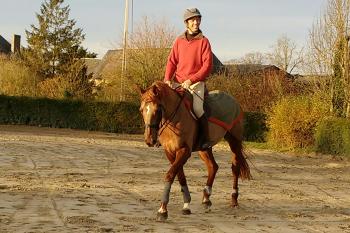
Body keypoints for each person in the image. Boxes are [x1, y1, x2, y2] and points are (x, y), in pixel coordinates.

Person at [164, 7, 213, 149]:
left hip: (195, 84)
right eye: (193, 20)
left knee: (198, 110)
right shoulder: (179, 41)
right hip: (178, 83)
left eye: (198, 19)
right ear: (187, 23)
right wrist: (167, 79)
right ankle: (159, 137)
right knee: (164, 107)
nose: (196, 22)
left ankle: (205, 140)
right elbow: (172, 61)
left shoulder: (204, 41)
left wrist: (191, 80)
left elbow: (207, 66)